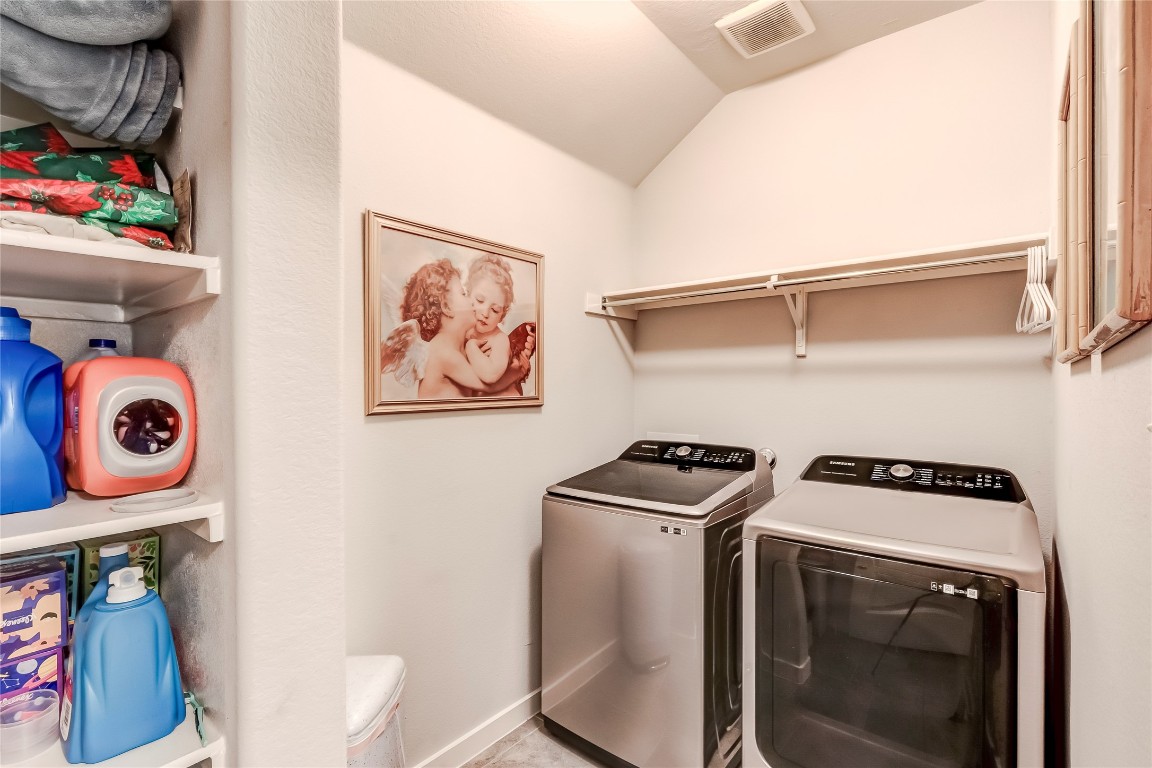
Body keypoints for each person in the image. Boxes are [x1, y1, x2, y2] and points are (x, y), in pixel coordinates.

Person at [382, 258, 532, 398]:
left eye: (495, 310)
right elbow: (488, 386)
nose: (474, 304)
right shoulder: (443, 351)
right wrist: (515, 372)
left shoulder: (460, 344)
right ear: (447, 307)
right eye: (464, 294)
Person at [463, 254, 534, 397]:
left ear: (502, 315)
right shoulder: (463, 331)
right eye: (480, 300)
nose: (485, 313)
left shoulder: (500, 340)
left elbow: (490, 375)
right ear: (468, 294)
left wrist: (470, 346)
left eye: (495, 310)